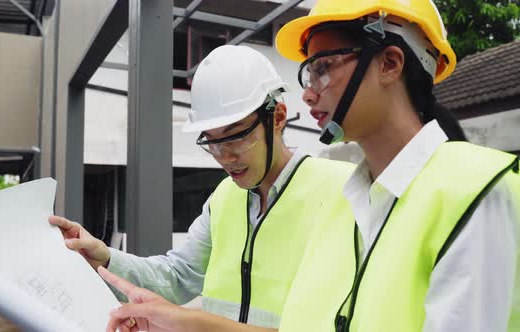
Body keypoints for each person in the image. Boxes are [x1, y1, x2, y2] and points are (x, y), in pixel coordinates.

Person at [95, 0, 520, 331]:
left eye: (322, 69)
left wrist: (188, 323)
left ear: (390, 63)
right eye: (307, 74)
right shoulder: (354, 202)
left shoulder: (474, 194)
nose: (310, 95)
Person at [50, 45, 354, 328]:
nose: (225, 157)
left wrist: (191, 324)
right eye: (212, 142)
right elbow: (178, 277)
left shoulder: (344, 190)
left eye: (235, 137)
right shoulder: (224, 198)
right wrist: (105, 257)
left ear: (277, 117)